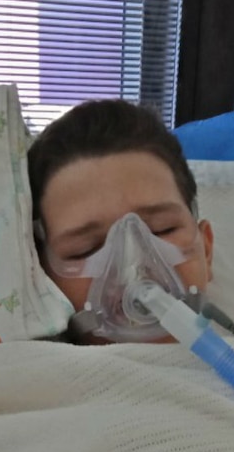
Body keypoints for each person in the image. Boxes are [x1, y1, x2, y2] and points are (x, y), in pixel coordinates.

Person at [28, 99, 214, 344]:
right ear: (41, 278)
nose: (133, 267)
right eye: (86, 248)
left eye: (162, 229)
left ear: (207, 251)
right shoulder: (9, 379)